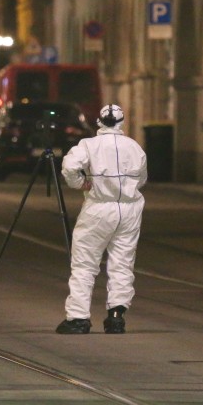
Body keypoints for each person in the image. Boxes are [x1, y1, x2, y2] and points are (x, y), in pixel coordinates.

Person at [56, 104, 147, 334]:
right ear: (121, 122)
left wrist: (81, 183)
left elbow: (69, 167)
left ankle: (78, 318)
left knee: (85, 263)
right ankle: (116, 317)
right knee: (122, 263)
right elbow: (142, 179)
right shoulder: (135, 148)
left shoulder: (89, 145)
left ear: (99, 122)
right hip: (129, 209)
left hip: (98, 208)